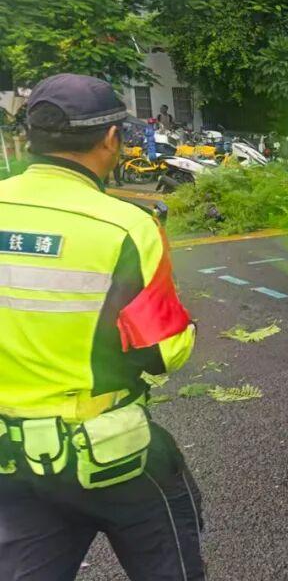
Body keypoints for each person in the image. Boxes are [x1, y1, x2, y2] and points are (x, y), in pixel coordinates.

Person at [0, 74, 202, 580]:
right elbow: (162, 351)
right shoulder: (127, 227)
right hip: (110, 453)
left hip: (11, 458)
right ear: (111, 138)